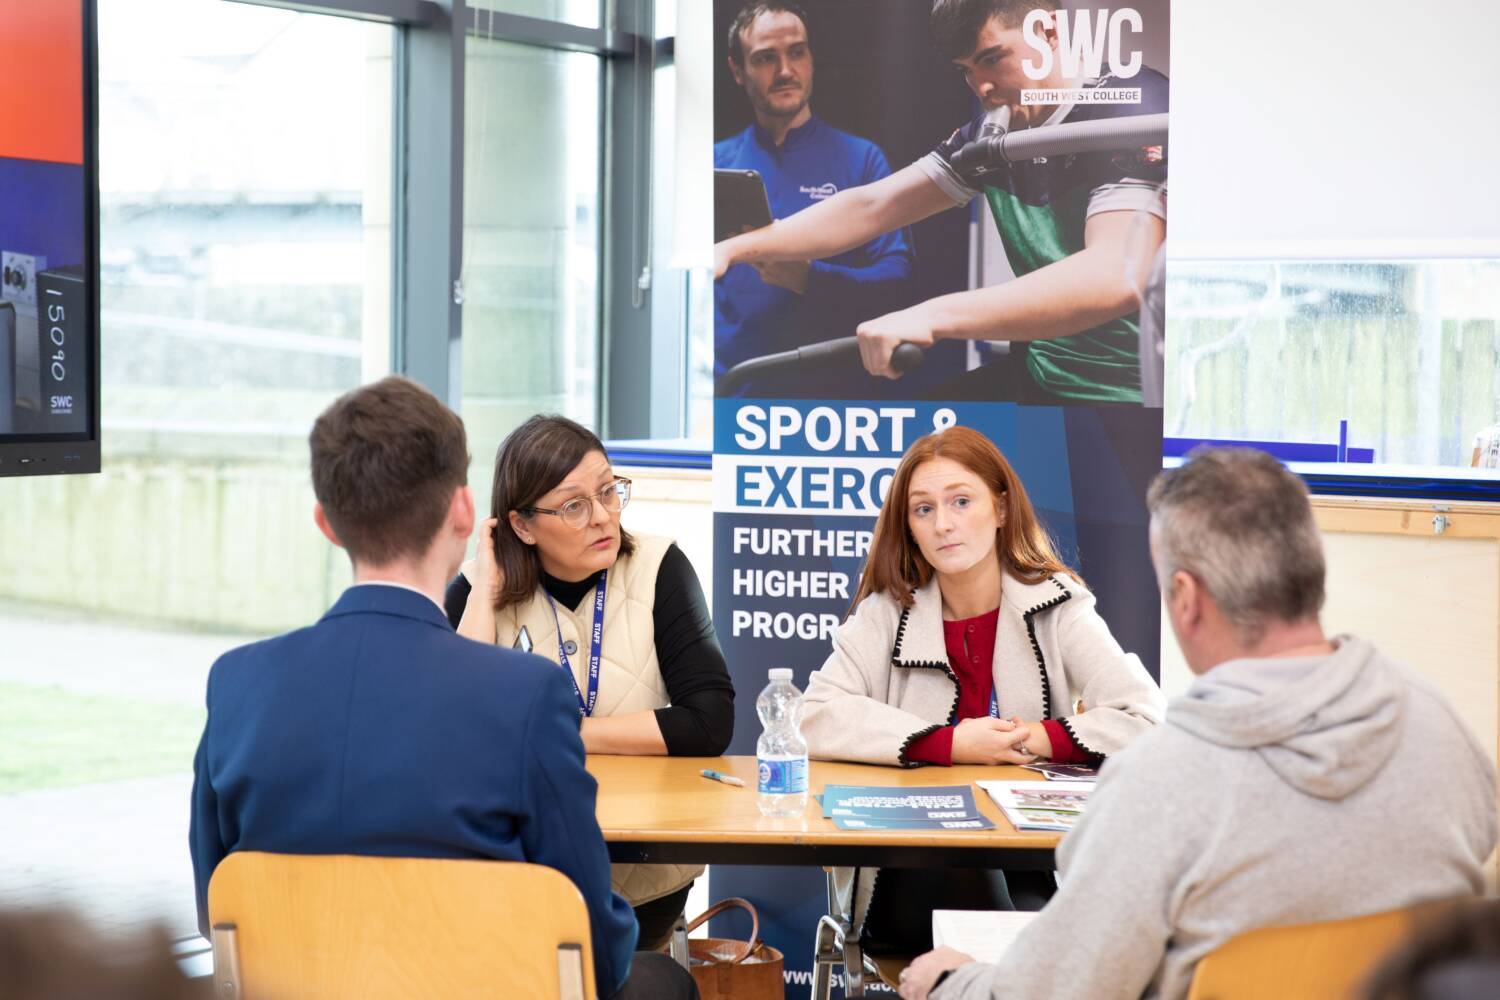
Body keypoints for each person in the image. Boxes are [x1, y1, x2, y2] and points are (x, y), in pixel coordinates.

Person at [897, 447, 1499, 1000]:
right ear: (1309, 567)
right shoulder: (1440, 728)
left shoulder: (1155, 788)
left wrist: (951, 981)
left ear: (1184, 597)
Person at [189, 377, 696, 1000]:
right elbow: (593, 940)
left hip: (301, 988)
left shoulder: (236, 684)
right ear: (463, 512)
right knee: (665, 982)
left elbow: (216, 911)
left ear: (326, 523)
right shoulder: (526, 696)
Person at [802, 424, 1164, 952]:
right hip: (909, 866)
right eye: (923, 509)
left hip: (1029, 864)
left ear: (1000, 508)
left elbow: (1147, 718)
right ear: (909, 527)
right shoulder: (886, 612)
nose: (943, 524)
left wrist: (1032, 737)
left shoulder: (1058, 605)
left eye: (961, 501)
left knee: (1036, 930)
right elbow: (813, 716)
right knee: (1004, 922)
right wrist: (951, 744)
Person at [715, 0, 1168, 404]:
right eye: (966, 69)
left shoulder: (1131, 107)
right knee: (916, 444)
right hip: (1046, 376)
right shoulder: (997, 133)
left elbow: (1117, 272)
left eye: (991, 59)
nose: (981, 87)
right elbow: (875, 205)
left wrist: (933, 315)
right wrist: (737, 248)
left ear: (1048, 32)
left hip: (1130, 394)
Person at [447, 414, 734, 950]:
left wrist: (565, 734)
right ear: (523, 525)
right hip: (517, 869)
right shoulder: (477, 588)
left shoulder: (658, 567)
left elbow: (709, 721)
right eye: (574, 506)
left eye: (608, 491)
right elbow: (453, 732)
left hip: (644, 877)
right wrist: (484, 593)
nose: (603, 516)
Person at [715, 0, 914, 397]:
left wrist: (811, 278)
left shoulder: (861, 160)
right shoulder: (715, 164)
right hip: (734, 393)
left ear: (811, 59)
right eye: (766, 58)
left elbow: (897, 281)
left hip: (832, 399)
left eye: (797, 52)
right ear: (737, 70)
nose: (785, 71)